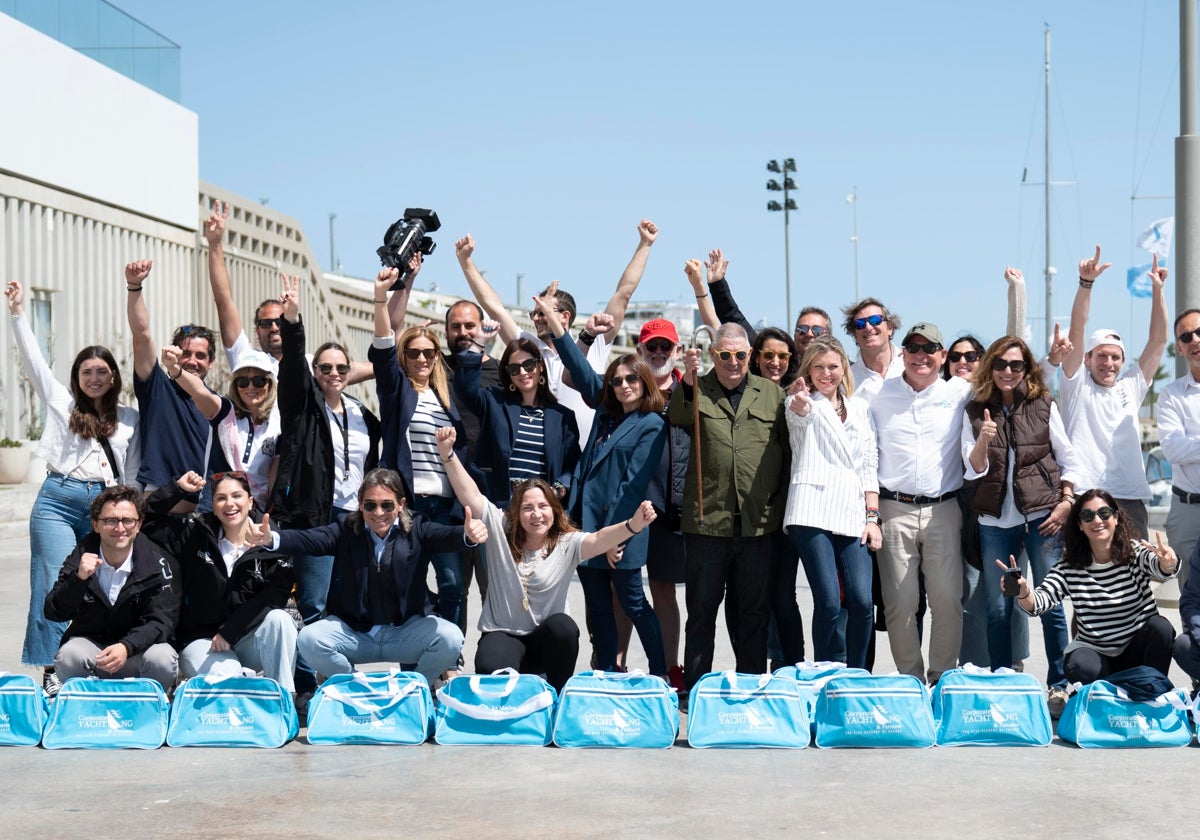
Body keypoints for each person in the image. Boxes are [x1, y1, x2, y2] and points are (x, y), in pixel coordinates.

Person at [435, 427, 657, 692]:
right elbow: (469, 494)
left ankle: (557, 693)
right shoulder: (501, 527)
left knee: (564, 628)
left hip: (547, 641)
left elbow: (599, 540)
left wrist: (633, 525)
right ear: (517, 512)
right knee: (489, 663)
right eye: (528, 508)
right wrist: (447, 453)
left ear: (554, 510)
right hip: (504, 634)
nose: (536, 514)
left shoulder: (566, 541)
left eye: (543, 507)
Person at [6, 279, 141, 696]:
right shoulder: (62, 404)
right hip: (58, 500)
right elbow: (33, 364)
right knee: (52, 581)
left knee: (106, 583)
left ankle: (99, 659)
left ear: (114, 375)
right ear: (76, 377)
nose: (94, 378)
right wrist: (17, 314)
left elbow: (131, 473)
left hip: (107, 506)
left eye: (102, 371)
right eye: (86, 372)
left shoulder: (130, 418)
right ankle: (51, 668)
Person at [249, 468, 482, 687]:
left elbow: (446, 536)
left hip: (404, 632)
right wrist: (272, 539)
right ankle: (356, 688)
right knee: (309, 639)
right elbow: (309, 539)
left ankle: (411, 688)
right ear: (360, 506)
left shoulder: (418, 528)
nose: (378, 513)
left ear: (401, 505)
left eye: (387, 505)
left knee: (450, 638)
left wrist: (467, 535)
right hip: (356, 634)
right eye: (370, 505)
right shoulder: (345, 528)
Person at [540, 284, 669, 677]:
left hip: (623, 529)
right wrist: (553, 322)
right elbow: (578, 369)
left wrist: (617, 536)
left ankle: (660, 673)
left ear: (645, 382)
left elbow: (633, 483)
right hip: (586, 526)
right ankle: (609, 675)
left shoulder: (651, 423)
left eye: (632, 379)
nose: (624, 385)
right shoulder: (607, 411)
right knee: (597, 608)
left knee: (633, 603)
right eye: (617, 380)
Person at [268, 274, 381, 699]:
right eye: (325, 368)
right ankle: (307, 687)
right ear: (316, 373)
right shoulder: (303, 406)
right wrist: (292, 321)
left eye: (340, 367)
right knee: (312, 604)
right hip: (317, 518)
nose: (333, 373)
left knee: (345, 606)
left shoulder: (361, 414)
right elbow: (292, 367)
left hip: (357, 519)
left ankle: (338, 680)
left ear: (350, 372)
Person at [454, 220, 658, 440]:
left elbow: (623, 293)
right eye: (535, 313)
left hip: (589, 454)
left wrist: (645, 244)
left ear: (565, 316)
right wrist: (466, 262)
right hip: (545, 457)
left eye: (543, 312)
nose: (537, 318)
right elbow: (495, 308)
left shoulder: (595, 339)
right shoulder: (528, 347)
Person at [668, 322, 789, 692]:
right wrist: (687, 382)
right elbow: (677, 416)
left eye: (739, 355)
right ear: (712, 355)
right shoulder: (697, 387)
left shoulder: (772, 394)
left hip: (758, 523)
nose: (732, 362)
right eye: (724, 355)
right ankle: (696, 687)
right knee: (702, 612)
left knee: (754, 612)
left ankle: (751, 684)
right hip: (708, 522)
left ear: (749, 356)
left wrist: (778, 506)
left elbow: (787, 452)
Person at [963, 335, 1079, 713]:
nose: (1007, 371)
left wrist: (1066, 503)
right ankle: (1002, 680)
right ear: (989, 368)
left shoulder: (1043, 404)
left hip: (1042, 517)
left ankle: (1059, 685)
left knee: (1050, 604)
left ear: (1027, 368)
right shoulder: (975, 409)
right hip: (996, 521)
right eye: (1000, 364)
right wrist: (983, 437)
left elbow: (1068, 458)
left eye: (1016, 365)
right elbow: (973, 468)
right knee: (999, 606)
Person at [370, 268, 472, 634]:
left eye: (429, 352)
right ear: (405, 355)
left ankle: (451, 653)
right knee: (407, 583)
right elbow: (382, 347)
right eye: (414, 352)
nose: (422, 359)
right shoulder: (398, 391)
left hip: (444, 507)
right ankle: (414, 654)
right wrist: (382, 297)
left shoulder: (447, 398)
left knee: (453, 584)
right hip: (409, 505)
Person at [870, 322, 971, 685]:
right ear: (903, 354)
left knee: (947, 602)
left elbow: (1012, 358)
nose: (921, 355)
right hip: (893, 509)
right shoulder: (879, 395)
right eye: (913, 347)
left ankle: (941, 679)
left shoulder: (960, 392)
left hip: (944, 509)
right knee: (900, 604)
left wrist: (1015, 294)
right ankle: (911, 682)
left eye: (930, 348)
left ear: (943, 357)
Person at [1002, 490, 1178, 685]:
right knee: (1079, 665)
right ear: (1079, 524)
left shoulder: (1133, 552)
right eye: (1088, 516)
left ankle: (1153, 690)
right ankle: (1110, 691)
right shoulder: (1070, 566)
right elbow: (1040, 601)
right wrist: (1023, 591)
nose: (1097, 520)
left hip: (1135, 650)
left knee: (1161, 628)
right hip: (1096, 653)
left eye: (1104, 513)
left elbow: (1160, 568)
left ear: (1116, 517)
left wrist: (1168, 562)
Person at [142, 472, 296, 691]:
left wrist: (230, 630)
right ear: (213, 505)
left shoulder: (272, 541)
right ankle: (250, 698)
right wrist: (177, 489)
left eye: (237, 496)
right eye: (221, 498)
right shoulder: (194, 533)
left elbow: (274, 596)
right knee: (230, 679)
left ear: (250, 501)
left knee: (280, 620)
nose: (229, 504)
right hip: (202, 642)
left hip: (246, 639)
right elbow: (148, 523)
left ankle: (283, 700)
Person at [202, 200, 381, 384]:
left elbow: (361, 369)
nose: (274, 327)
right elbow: (224, 301)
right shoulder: (246, 358)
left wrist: (402, 360)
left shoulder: (313, 365)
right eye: (266, 323)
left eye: (280, 321)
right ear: (257, 330)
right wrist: (215, 243)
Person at [1056, 246, 1168, 539]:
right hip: (1085, 495)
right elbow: (1078, 330)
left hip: (1129, 498)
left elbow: (1158, 341)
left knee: (1136, 576)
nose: (1109, 363)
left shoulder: (1130, 386)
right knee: (1085, 579)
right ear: (1087, 359)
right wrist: (1086, 284)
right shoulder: (1075, 384)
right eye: (1101, 356)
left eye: (1115, 357)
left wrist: (1158, 290)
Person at [784, 336, 880, 669]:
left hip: (854, 511)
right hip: (811, 510)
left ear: (844, 368)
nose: (826, 373)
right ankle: (823, 673)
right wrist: (800, 406)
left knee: (862, 600)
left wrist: (873, 517)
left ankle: (857, 673)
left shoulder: (860, 408)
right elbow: (800, 422)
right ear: (808, 371)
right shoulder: (800, 401)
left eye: (833, 366)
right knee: (827, 600)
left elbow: (869, 463)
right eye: (819, 367)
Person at [43, 486, 180, 692]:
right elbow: (54, 611)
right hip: (95, 654)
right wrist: (79, 579)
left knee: (163, 659)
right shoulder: (80, 557)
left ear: (138, 525)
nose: (119, 528)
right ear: (95, 525)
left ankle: (149, 705)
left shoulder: (159, 563)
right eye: (110, 521)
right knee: (68, 656)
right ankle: (87, 708)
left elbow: (162, 622)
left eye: (127, 520)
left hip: (137, 653)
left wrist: (126, 646)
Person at [125, 258, 215, 511]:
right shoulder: (158, 389)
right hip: (159, 511)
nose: (192, 361)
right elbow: (141, 336)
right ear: (174, 353)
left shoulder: (216, 405)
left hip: (204, 515)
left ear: (212, 363)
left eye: (201, 356)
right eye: (186, 353)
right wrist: (134, 287)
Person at [451, 333, 580, 507]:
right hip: (497, 504)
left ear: (540, 365)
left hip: (539, 509)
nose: (522, 372)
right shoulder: (494, 401)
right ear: (508, 374)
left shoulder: (563, 417)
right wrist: (478, 343)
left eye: (528, 365)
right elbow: (465, 389)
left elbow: (572, 465)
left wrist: (557, 489)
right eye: (514, 368)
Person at [160, 344, 280, 510]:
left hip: (255, 511)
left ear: (270, 384)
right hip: (215, 507)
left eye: (259, 381)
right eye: (243, 381)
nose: (250, 387)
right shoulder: (225, 411)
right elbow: (200, 392)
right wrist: (175, 370)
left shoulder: (277, 424)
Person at [1157, 306, 1200, 589]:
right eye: (1186, 337)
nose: (1194, 340)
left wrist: (1192, 445)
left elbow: (1184, 447)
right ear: (1180, 349)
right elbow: (1172, 450)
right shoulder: (1170, 395)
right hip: (1188, 513)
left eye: (1199, 332)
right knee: (1193, 599)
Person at [842, 297, 904, 404]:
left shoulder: (911, 366)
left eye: (875, 320)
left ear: (890, 328)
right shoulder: (846, 381)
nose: (868, 327)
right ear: (854, 335)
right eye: (860, 324)